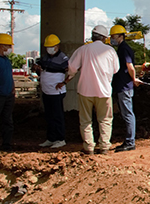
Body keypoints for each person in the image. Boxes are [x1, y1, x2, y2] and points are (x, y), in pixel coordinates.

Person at [59, 25, 120, 155]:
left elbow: (72, 68)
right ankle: (104, 146)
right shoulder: (110, 51)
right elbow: (116, 69)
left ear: (93, 36)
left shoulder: (83, 49)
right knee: (105, 120)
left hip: (85, 90)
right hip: (104, 91)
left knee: (85, 120)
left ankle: (89, 147)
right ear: (104, 38)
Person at [110, 24, 142, 152]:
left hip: (124, 86)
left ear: (120, 36)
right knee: (126, 113)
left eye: (113, 36)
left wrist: (133, 79)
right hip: (122, 86)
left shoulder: (123, 49)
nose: (112, 39)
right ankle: (129, 141)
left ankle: (130, 141)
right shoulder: (122, 49)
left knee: (128, 114)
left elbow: (130, 66)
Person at [33, 34, 69, 149]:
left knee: (57, 116)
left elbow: (71, 72)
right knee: (49, 116)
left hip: (56, 93)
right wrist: (37, 69)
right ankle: (51, 138)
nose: (49, 49)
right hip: (46, 91)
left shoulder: (63, 58)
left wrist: (64, 82)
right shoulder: (45, 58)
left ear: (57, 46)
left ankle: (60, 138)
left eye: (51, 46)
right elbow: (43, 71)